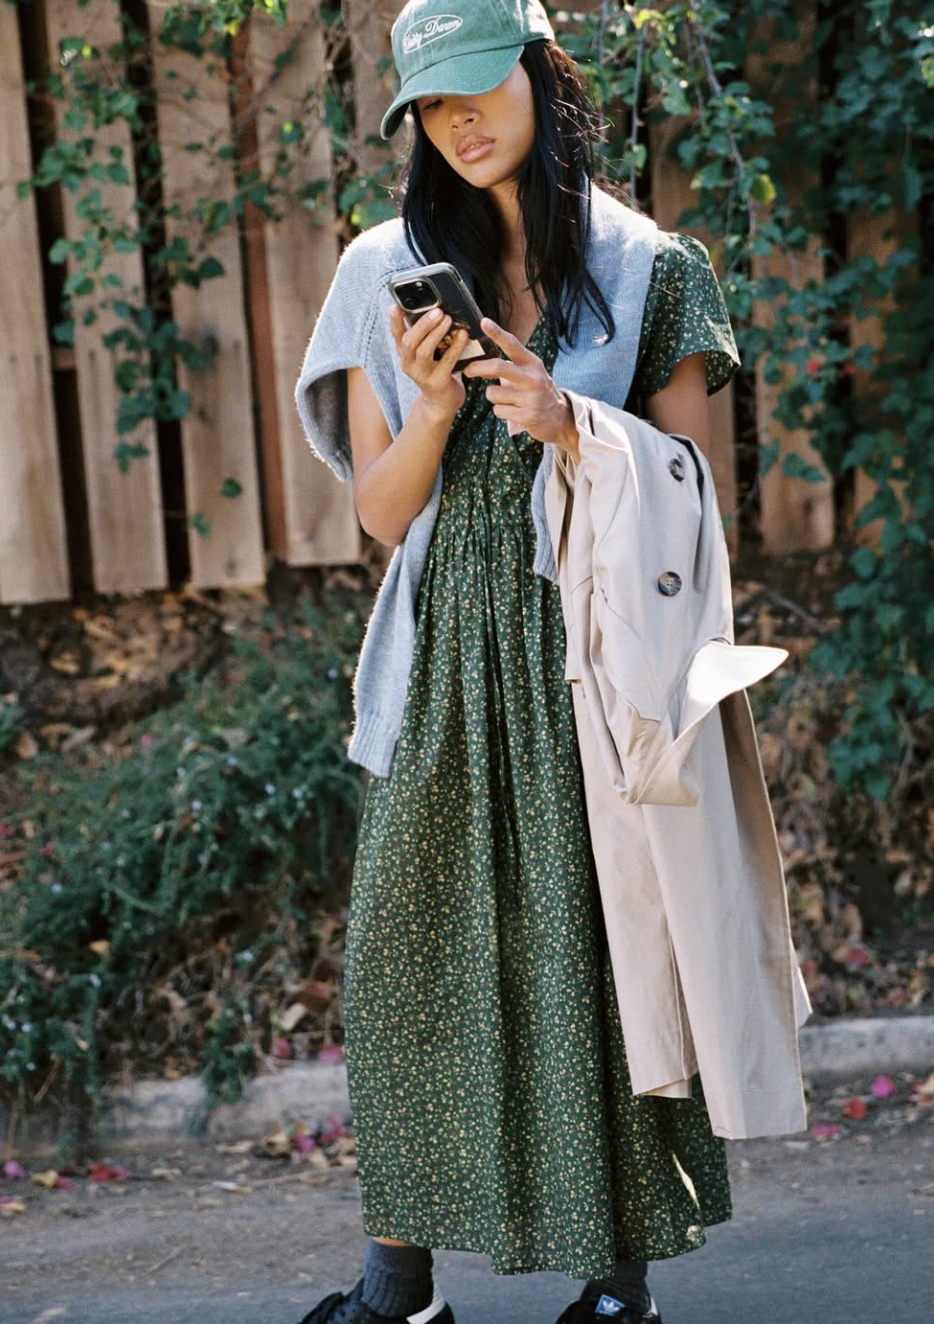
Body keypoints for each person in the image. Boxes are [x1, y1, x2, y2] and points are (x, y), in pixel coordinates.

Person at [294, 2, 742, 1321]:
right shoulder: (383, 266)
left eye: (479, 89)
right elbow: (378, 515)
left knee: (603, 964)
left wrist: (572, 427)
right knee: (399, 964)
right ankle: (399, 1292)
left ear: (546, 78)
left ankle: (619, 1290)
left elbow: (698, 493)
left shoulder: (649, 267)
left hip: (592, 669)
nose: (461, 123)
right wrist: (434, 407)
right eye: (431, 107)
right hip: (441, 663)